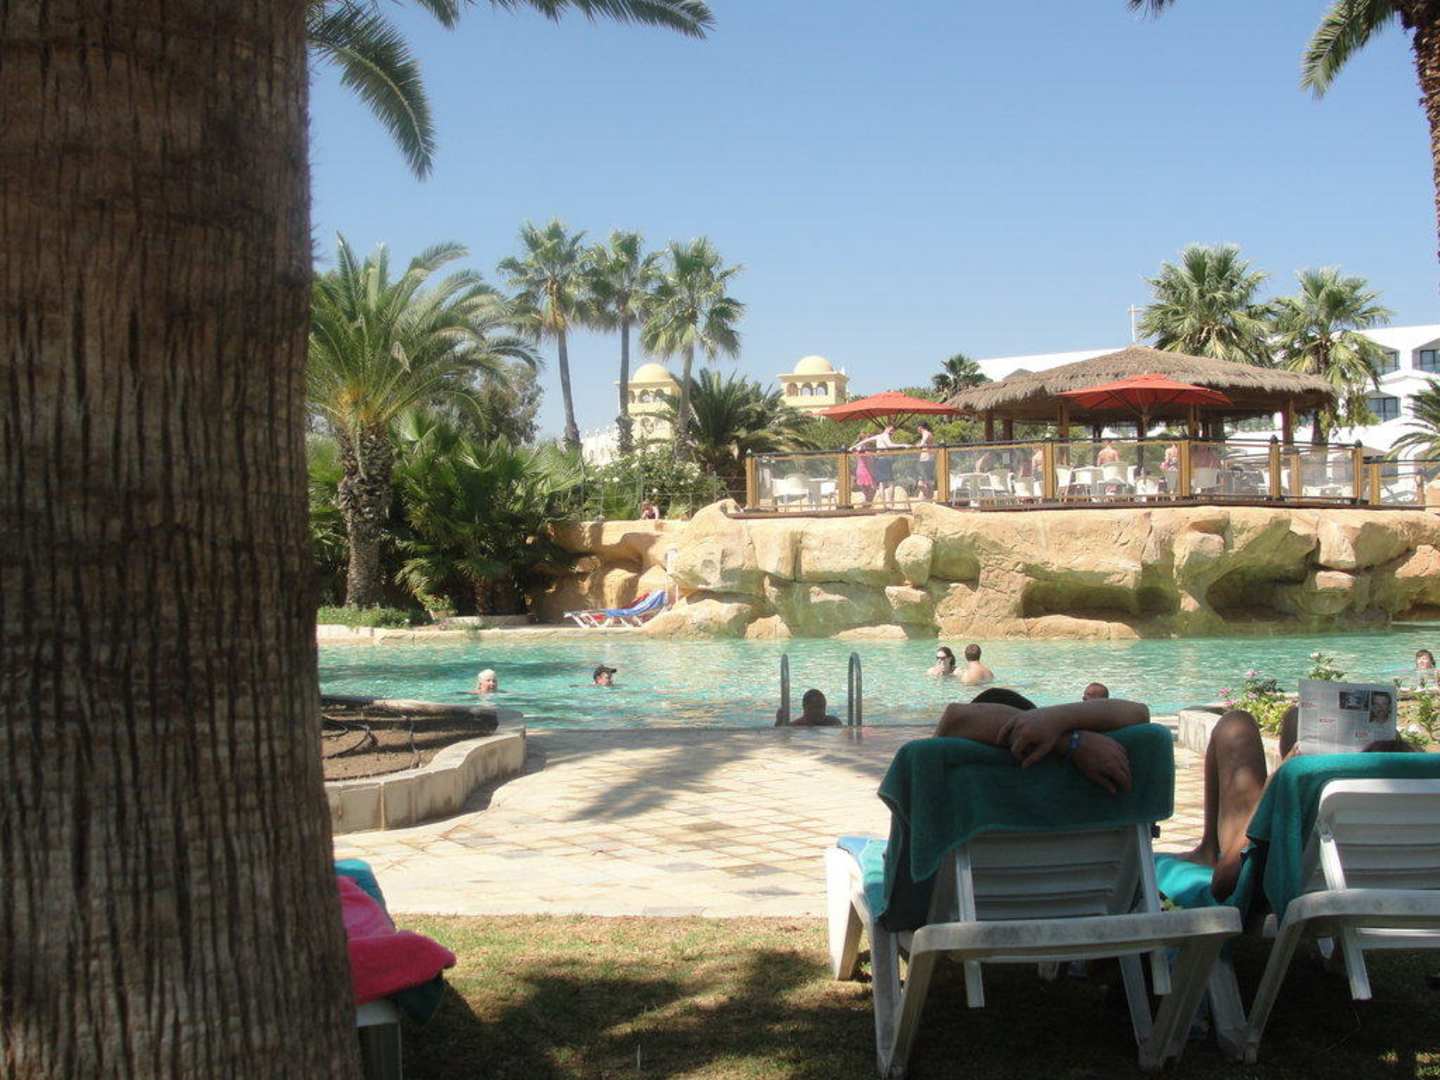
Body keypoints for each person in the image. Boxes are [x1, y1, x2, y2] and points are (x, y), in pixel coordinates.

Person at [1179, 706, 1412, 901]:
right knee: (1297, 718)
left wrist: (1274, 783)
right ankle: (1208, 848)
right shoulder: (1418, 797)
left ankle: (1209, 850)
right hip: (1368, 885)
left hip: (1278, 893)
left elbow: (1222, 884)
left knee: (1235, 726)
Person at [933, 689, 1150, 795]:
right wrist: (1069, 736)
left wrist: (1067, 741)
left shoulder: (952, 783)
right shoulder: (1084, 777)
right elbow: (1139, 714)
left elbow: (956, 719)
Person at [852, 425, 906, 505]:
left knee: (881, 483)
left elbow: (864, 442)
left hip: (878, 460)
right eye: (891, 429)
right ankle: (890, 503)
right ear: (887, 428)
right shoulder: (885, 435)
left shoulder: (878, 437)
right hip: (883, 460)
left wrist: (853, 446)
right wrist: (903, 445)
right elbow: (890, 445)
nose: (892, 432)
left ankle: (883, 504)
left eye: (893, 430)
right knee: (890, 482)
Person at [775, 688, 842, 727]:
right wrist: (778, 724)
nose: (820, 711)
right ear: (805, 707)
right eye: (816, 708)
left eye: (822, 707)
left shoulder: (833, 722)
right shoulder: (796, 727)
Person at [916, 422, 936, 500]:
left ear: (920, 427)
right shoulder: (928, 434)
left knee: (922, 482)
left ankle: (929, 496)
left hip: (926, 459)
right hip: (927, 459)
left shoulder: (926, 433)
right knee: (926, 481)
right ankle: (928, 496)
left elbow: (922, 443)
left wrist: (917, 445)